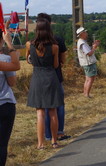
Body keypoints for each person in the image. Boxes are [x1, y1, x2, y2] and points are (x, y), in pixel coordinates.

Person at [26, 18, 64, 149]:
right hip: (51, 78)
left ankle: (40, 144)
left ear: (36, 30)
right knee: (52, 111)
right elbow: (56, 65)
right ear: (49, 30)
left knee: (40, 113)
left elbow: (28, 61)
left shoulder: (29, 45)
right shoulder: (54, 47)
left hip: (37, 78)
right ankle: (54, 141)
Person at [36, 13, 70, 142]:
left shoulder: (33, 43)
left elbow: (30, 60)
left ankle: (47, 135)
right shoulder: (57, 40)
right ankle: (59, 133)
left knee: (44, 108)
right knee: (58, 106)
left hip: (39, 78)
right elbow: (62, 61)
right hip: (55, 76)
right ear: (49, 24)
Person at [0, 28, 20, 166]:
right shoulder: (4, 59)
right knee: (1, 145)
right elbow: (12, 81)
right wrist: (10, 44)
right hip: (4, 104)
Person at [76, 27, 100, 98]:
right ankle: (87, 94)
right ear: (82, 34)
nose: (86, 33)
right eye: (85, 32)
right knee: (90, 79)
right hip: (88, 63)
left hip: (86, 63)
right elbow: (89, 53)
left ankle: (85, 93)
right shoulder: (82, 43)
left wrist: (92, 46)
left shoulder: (81, 41)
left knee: (87, 79)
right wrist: (94, 47)